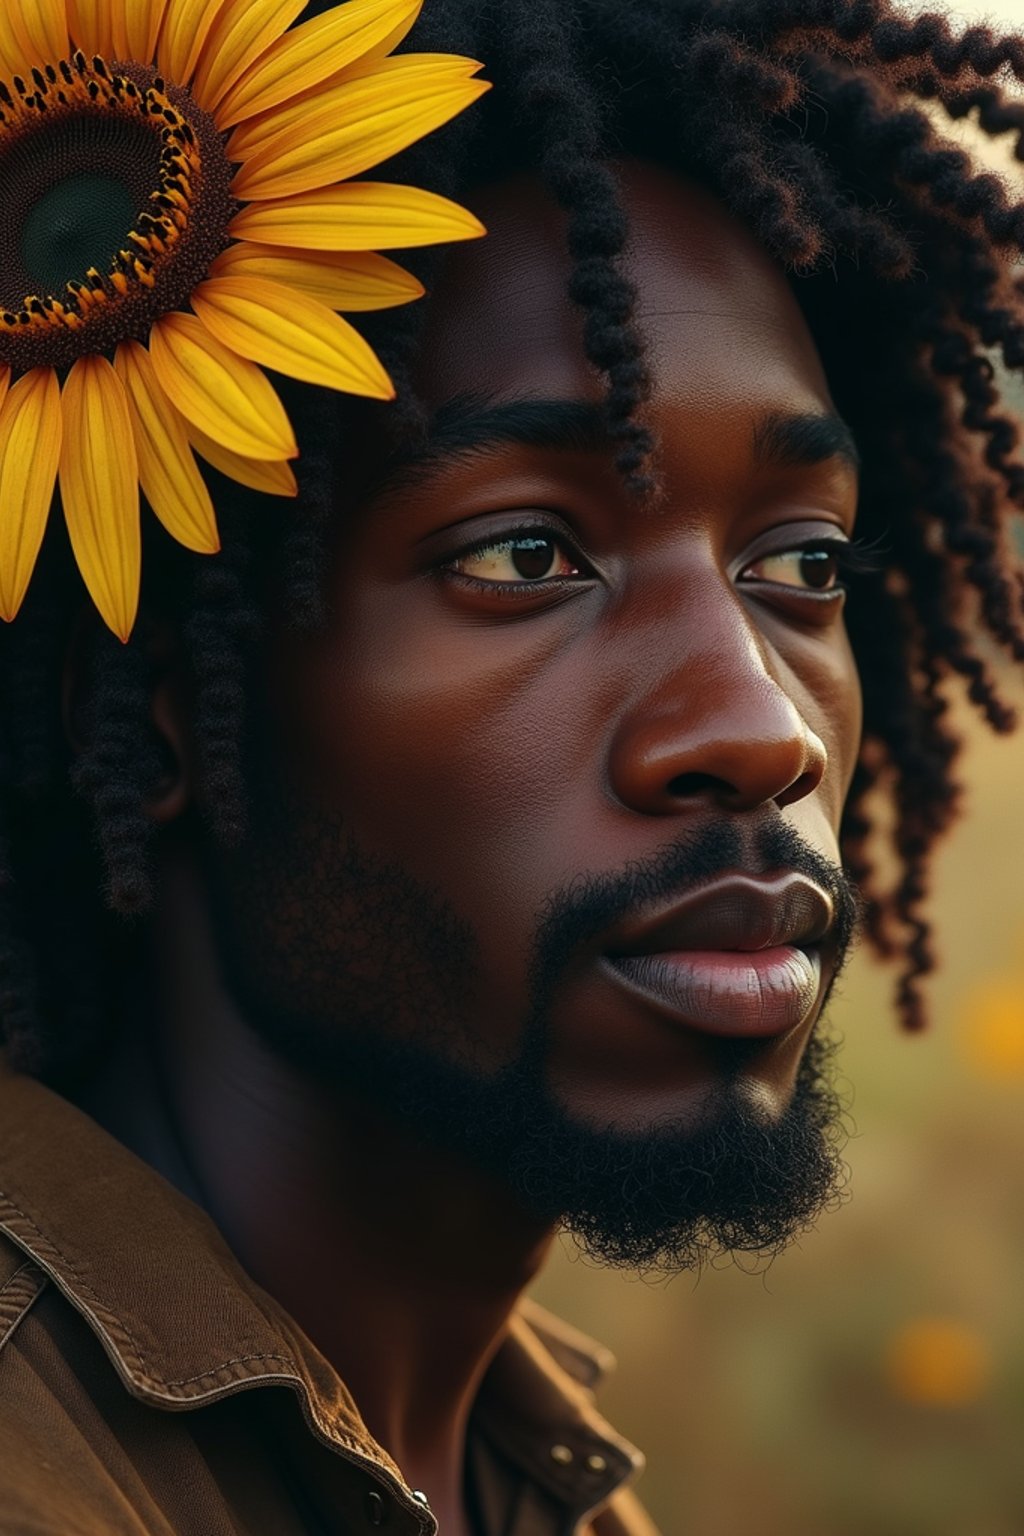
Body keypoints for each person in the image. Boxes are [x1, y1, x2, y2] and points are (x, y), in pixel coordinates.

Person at [1, 0, 1023, 1531]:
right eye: (528, 552)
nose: (763, 729)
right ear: (145, 709)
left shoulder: (527, 1475)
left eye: (801, 562)